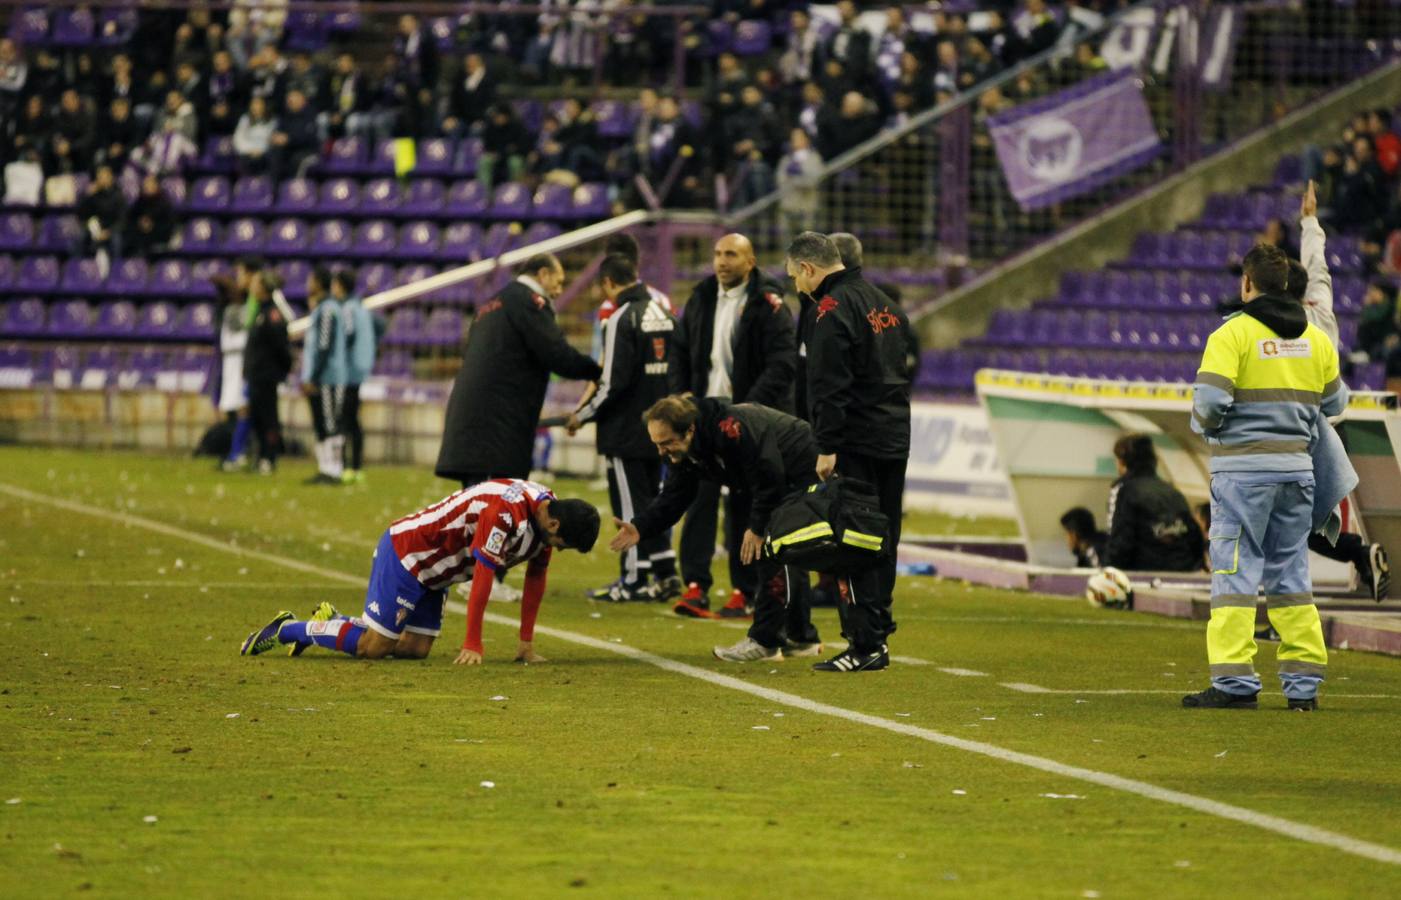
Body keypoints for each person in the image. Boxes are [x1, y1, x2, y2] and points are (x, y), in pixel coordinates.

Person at [1185, 243, 1348, 710]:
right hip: (1298, 475)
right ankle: (1303, 688)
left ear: (1247, 284)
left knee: (1235, 576)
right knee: (1291, 578)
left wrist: (1211, 424)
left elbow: (1211, 403)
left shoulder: (1231, 335)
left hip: (1243, 475)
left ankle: (1235, 683)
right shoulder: (1316, 340)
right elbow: (1336, 405)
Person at [240, 480, 601, 665]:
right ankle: (289, 630)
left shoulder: (546, 517)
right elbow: (484, 576)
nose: (556, 551)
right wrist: (472, 643)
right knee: (374, 648)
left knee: (414, 650)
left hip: (438, 574)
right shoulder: (504, 514)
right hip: (410, 554)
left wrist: (525, 644)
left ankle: (335, 620)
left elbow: (536, 578)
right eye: (561, 544)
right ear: (553, 523)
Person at [612, 394, 825, 661]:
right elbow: (675, 496)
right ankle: (801, 637)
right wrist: (641, 527)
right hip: (776, 475)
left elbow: (769, 474)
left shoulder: (730, 430)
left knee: (771, 548)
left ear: (689, 429)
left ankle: (766, 642)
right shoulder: (687, 446)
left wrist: (757, 526)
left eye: (666, 443)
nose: (661, 452)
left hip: (800, 469)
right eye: (656, 444)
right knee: (783, 552)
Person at [785, 232, 912, 673]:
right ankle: (879, 629)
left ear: (808, 268)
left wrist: (827, 446)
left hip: (855, 441)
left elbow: (828, 387)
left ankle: (864, 643)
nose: (795, 285)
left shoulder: (830, 310)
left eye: (794, 275)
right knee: (885, 536)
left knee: (853, 538)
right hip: (893, 436)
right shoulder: (886, 304)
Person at [669, 233, 796, 617]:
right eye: (718, 254)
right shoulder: (702, 296)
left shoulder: (769, 305)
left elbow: (783, 362)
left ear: (750, 261)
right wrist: (681, 399)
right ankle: (695, 585)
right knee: (699, 500)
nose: (722, 261)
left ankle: (745, 589)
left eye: (731, 255)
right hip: (702, 418)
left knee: (744, 504)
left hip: (746, 420)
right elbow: (679, 350)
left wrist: (747, 409)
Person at [1292, 181, 1390, 601]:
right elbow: (1317, 268)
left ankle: (1292, 607)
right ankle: (1360, 554)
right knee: (1303, 525)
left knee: (1289, 524)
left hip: (1302, 431)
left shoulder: (1282, 326)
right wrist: (1310, 221)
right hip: (1329, 427)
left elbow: (1311, 270)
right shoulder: (1320, 308)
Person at [436, 253, 602, 487]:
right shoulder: (529, 302)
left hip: (473, 423)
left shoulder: (491, 305)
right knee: (497, 505)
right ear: (543, 274)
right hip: (498, 428)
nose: (558, 290)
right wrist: (598, 371)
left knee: (476, 504)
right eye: (558, 281)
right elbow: (556, 353)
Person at [568, 254, 679, 602]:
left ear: (608, 284)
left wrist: (582, 415)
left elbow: (612, 382)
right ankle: (665, 571)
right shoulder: (663, 313)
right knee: (655, 501)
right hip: (661, 428)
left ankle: (634, 580)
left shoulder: (620, 317)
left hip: (626, 430)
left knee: (631, 506)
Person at [1104, 434, 1205, 573]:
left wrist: (1108, 571)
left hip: (1146, 575)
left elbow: (1119, 543)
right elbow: (1194, 537)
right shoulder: (1173, 492)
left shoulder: (1124, 490)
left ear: (1122, 462)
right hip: (1182, 572)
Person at [300, 266, 347, 485]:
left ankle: (333, 470)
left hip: (328, 376)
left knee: (330, 423)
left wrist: (314, 376)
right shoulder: (322, 308)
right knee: (321, 423)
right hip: (319, 375)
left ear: (318, 282)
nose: (308, 283)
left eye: (311, 279)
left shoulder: (328, 309)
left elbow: (324, 345)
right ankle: (324, 467)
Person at [243, 270, 292, 475]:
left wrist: (280, 371)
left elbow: (281, 347)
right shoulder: (260, 312)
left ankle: (269, 457)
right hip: (257, 375)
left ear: (263, 288)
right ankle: (260, 455)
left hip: (267, 375)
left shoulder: (272, 314)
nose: (251, 286)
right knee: (257, 418)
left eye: (255, 283)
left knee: (269, 418)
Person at [337, 269, 377, 485]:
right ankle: (357, 466)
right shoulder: (361, 307)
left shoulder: (348, 309)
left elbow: (348, 335)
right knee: (353, 421)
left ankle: (345, 466)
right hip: (360, 370)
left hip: (349, 372)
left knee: (345, 421)